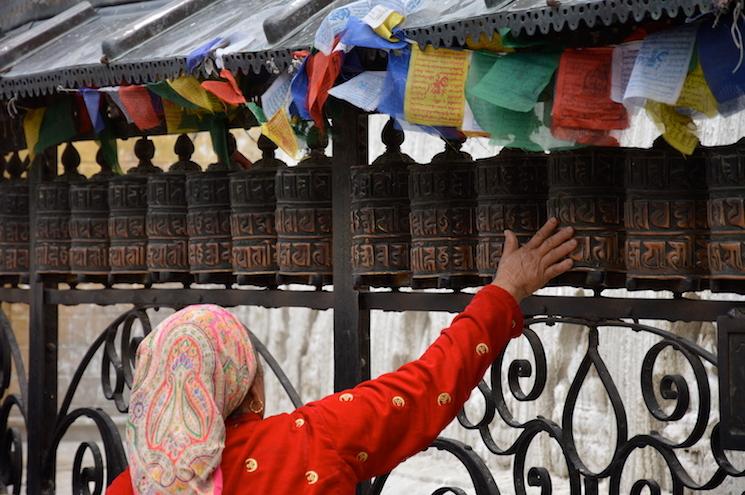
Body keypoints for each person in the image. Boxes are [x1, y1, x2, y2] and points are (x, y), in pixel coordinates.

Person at [107, 218, 576, 494]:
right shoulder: (309, 442)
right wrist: (503, 292)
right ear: (246, 388)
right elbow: (424, 387)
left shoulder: (130, 486)